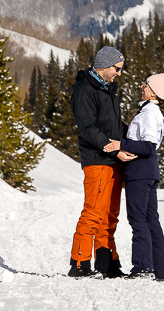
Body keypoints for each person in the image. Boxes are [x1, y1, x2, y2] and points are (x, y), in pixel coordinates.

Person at [68, 46, 128, 278]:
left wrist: (131, 142)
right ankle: (80, 263)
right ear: (104, 65)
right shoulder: (85, 90)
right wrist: (113, 150)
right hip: (98, 160)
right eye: (117, 69)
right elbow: (87, 128)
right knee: (94, 212)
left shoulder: (108, 90)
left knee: (110, 214)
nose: (119, 74)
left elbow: (114, 127)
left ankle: (107, 263)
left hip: (114, 161)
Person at [117, 72, 164, 281]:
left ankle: (142, 267)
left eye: (146, 85)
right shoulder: (154, 111)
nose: (142, 87)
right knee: (151, 219)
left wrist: (120, 145)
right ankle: (160, 270)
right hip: (148, 170)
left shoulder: (149, 113)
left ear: (154, 92)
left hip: (139, 171)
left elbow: (148, 146)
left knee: (138, 218)